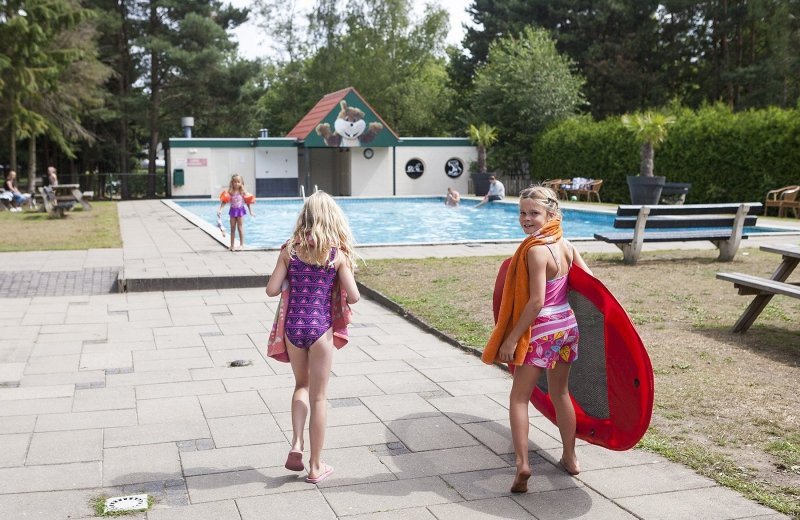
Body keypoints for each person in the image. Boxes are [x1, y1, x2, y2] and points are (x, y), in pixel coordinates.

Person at [481, 185, 591, 494]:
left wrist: (511, 339)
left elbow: (535, 302)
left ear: (551, 214)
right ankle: (571, 457)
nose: (527, 219)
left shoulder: (535, 250)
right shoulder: (566, 245)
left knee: (519, 398)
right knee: (561, 394)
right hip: (567, 326)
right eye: (523, 213)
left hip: (540, 330)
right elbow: (591, 284)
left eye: (534, 213)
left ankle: (522, 465)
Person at [266, 191, 360, 484]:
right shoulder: (336, 254)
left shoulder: (290, 250)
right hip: (320, 329)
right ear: (332, 218)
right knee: (319, 397)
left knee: (301, 386)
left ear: (305, 218)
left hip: (293, 327)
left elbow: (271, 289)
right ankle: (316, 466)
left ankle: (296, 443)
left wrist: (288, 283)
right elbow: (354, 297)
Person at [217, 174, 255, 251]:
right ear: (232, 183)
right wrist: (220, 209)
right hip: (233, 211)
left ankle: (241, 245)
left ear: (241, 183)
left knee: (240, 228)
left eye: (238, 182)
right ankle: (232, 245)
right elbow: (224, 201)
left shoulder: (242, 192)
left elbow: (248, 202)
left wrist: (251, 211)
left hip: (240, 211)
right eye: (235, 182)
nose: (236, 183)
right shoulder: (230, 192)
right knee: (232, 228)